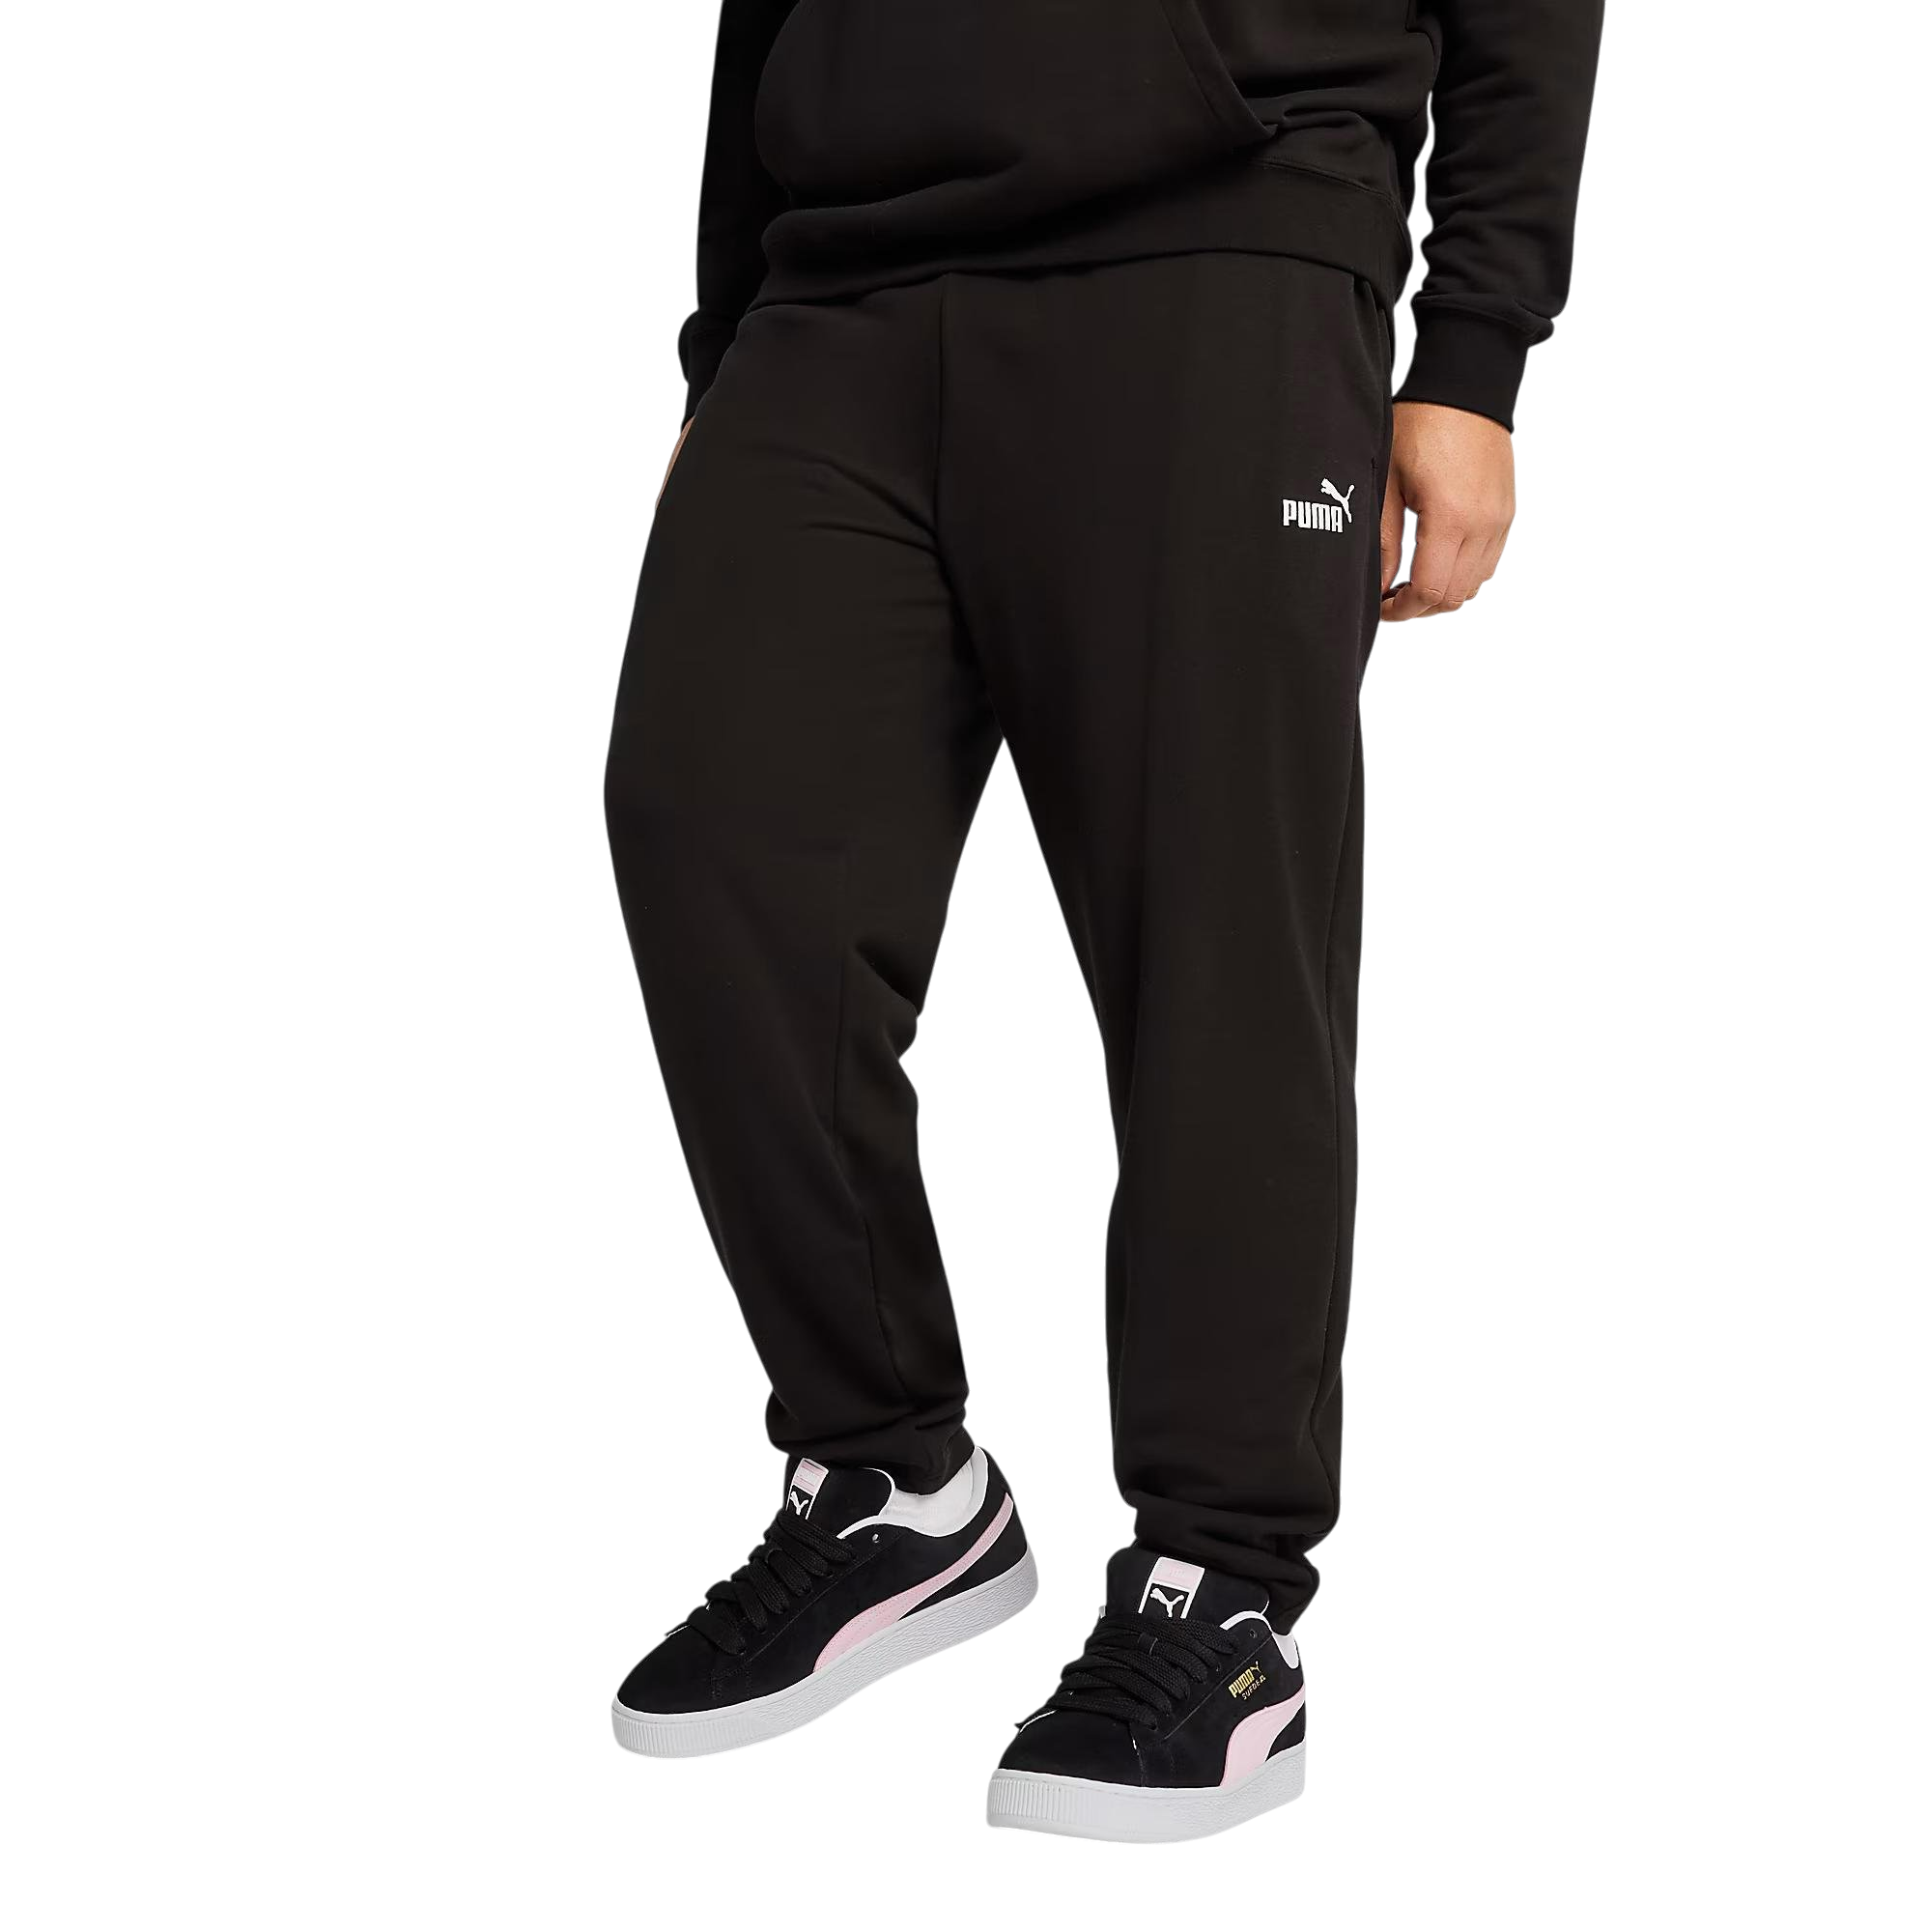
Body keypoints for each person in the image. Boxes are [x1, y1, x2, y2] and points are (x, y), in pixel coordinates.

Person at [606, 0, 1599, 1843]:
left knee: (1213, 939)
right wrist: (727, 328)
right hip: (835, 285)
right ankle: (895, 1484)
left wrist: (1469, 351)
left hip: (1223, 232)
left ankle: (1225, 1590)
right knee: (708, 836)